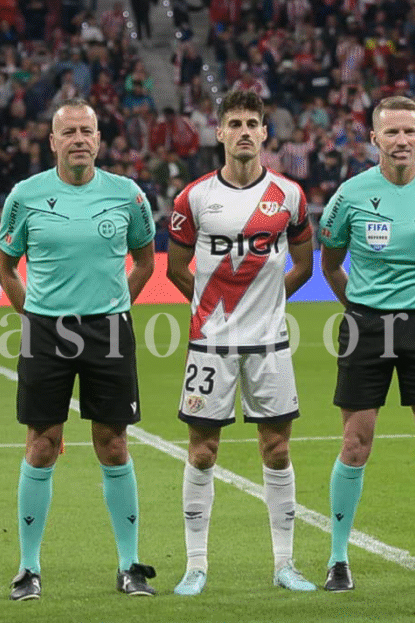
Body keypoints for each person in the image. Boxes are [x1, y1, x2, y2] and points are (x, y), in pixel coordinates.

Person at [0, 99, 157, 600]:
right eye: (69, 132)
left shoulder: (128, 195)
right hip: (46, 332)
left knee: (113, 443)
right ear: (53, 142)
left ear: (100, 139)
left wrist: (111, 309)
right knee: (42, 444)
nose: (79, 139)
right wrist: (35, 315)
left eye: (87, 131)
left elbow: (145, 263)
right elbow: (5, 266)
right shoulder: (25, 195)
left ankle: (129, 564)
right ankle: (28, 568)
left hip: (109, 330)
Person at [166, 90, 316, 595]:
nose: (245, 131)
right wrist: (211, 309)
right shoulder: (193, 198)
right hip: (209, 345)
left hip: (270, 344)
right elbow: (173, 268)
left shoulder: (289, 197)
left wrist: (266, 301)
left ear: (265, 133)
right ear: (221, 132)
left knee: (276, 450)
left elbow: (303, 264)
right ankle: (195, 565)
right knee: (203, 452)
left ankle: (284, 564)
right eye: (236, 123)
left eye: (253, 122)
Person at [317, 95, 415, 592]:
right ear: (374, 139)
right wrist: (360, 304)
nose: (402, 141)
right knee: (356, 443)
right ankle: (338, 558)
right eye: (392, 132)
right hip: (364, 325)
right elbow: (331, 263)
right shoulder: (351, 194)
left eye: (410, 131)